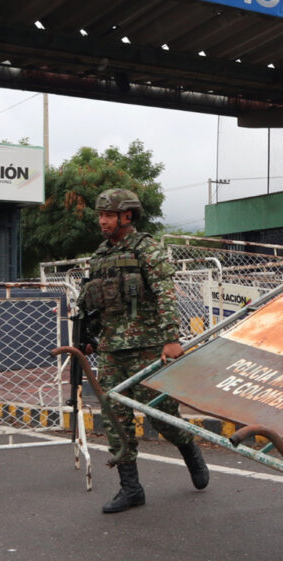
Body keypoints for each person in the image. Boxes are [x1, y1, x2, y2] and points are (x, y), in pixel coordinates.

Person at [79, 188, 210, 514]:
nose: (103, 221)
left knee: (161, 414)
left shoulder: (146, 249)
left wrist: (171, 338)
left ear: (127, 216)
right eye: (100, 215)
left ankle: (188, 446)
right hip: (111, 348)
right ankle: (131, 488)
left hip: (149, 347)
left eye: (108, 215)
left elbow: (166, 294)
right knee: (113, 416)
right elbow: (95, 302)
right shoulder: (100, 255)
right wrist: (91, 337)